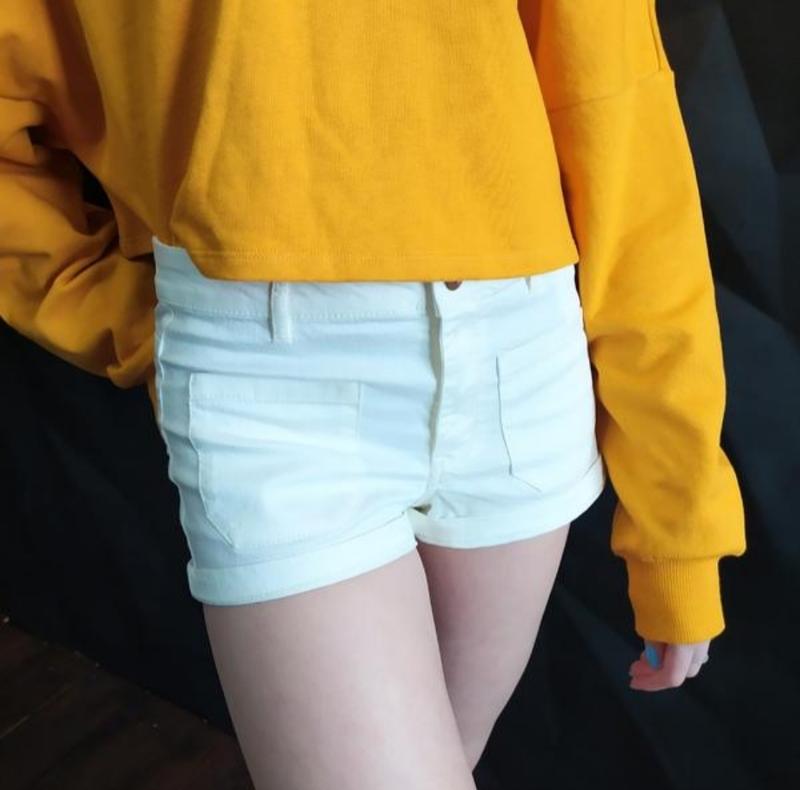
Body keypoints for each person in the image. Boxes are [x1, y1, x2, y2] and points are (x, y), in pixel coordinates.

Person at [0, 2, 746, 788]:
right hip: (271, 380)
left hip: (517, 363)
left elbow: (623, 134)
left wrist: (679, 526)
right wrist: (136, 322)